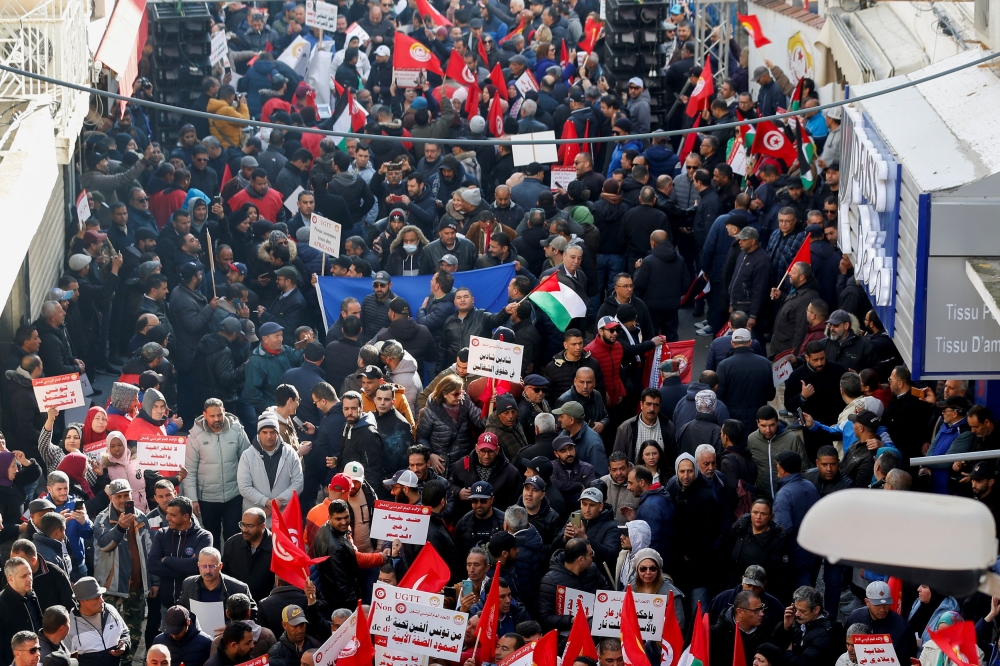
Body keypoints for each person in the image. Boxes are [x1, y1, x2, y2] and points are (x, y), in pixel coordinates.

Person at [93, 478, 153, 663]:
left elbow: (150, 550)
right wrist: (120, 527)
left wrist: (153, 581)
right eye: (118, 496)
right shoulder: (102, 518)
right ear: (110, 497)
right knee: (110, 633)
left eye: (126, 495)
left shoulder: (141, 517)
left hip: (137, 587)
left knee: (134, 631)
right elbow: (105, 545)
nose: (122, 499)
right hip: (113, 588)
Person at [184, 399, 252, 546]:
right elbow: (189, 471)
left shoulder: (237, 430)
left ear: (224, 412)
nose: (217, 419)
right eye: (212, 416)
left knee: (234, 538)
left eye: (219, 415)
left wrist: (248, 490)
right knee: (210, 538)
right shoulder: (195, 437)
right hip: (207, 498)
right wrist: (193, 499)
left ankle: (232, 568)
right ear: (204, 415)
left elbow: (248, 461)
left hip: (234, 495)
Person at [148, 496, 214, 614]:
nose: (168, 518)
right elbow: (152, 565)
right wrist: (185, 572)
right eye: (168, 513)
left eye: (173, 515)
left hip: (195, 607)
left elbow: (197, 566)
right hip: (168, 607)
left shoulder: (203, 537)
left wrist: (167, 560)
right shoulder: (162, 534)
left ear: (186, 517)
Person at [236, 415, 304, 519]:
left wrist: (277, 503)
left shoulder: (290, 453)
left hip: (285, 515)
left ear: (277, 433)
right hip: (256, 517)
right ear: (259, 433)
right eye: (265, 432)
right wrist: (267, 502)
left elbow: (298, 483)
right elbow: (244, 487)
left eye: (272, 432)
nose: (269, 436)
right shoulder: (247, 456)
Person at [772, 451, 819, 590]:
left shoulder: (784, 494)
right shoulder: (810, 486)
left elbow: (783, 529)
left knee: (800, 596)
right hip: (813, 551)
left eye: (778, 464)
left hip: (795, 556)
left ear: (783, 468)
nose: (776, 467)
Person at [536, 538, 606, 633]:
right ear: (580, 559)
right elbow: (545, 617)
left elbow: (605, 590)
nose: (592, 557)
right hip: (568, 637)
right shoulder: (551, 581)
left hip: (594, 630)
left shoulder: (592, 569)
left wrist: (599, 604)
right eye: (590, 554)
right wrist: (571, 620)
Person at [717, 329, 776, 435]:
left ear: (732, 343)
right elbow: (771, 394)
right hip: (758, 417)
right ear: (750, 342)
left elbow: (720, 396)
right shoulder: (765, 363)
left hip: (733, 417)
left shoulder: (724, 365)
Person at [66, 577, 131, 666]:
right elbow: (66, 658)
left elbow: (124, 632)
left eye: (101, 596)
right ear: (82, 601)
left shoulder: (111, 610)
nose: (102, 600)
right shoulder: (70, 624)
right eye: (96, 598)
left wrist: (124, 644)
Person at [845, 581, 914, 664]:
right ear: (867, 602)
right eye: (877, 605)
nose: (882, 609)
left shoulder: (902, 628)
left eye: (886, 604)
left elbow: (907, 660)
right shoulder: (855, 618)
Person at [771, 586, 839, 666]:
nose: (796, 614)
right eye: (796, 609)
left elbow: (805, 663)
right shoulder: (799, 621)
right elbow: (773, 644)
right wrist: (785, 627)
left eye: (802, 611)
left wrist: (787, 653)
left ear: (816, 610)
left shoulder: (825, 634)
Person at [0, 557, 43, 666]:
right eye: (24, 576)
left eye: (30, 574)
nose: (29, 579)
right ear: (10, 579)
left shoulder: (31, 595)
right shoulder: (2, 604)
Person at [178, 546, 252, 610]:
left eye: (212, 566)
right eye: (203, 566)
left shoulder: (238, 589)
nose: (207, 571)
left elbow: (251, 614)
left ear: (220, 566)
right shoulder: (188, 584)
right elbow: (182, 609)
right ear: (198, 566)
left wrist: (229, 625)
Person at [711, 590, 768, 666]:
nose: (762, 613)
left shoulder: (766, 628)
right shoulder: (716, 635)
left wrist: (784, 628)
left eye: (762, 608)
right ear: (740, 612)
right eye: (756, 610)